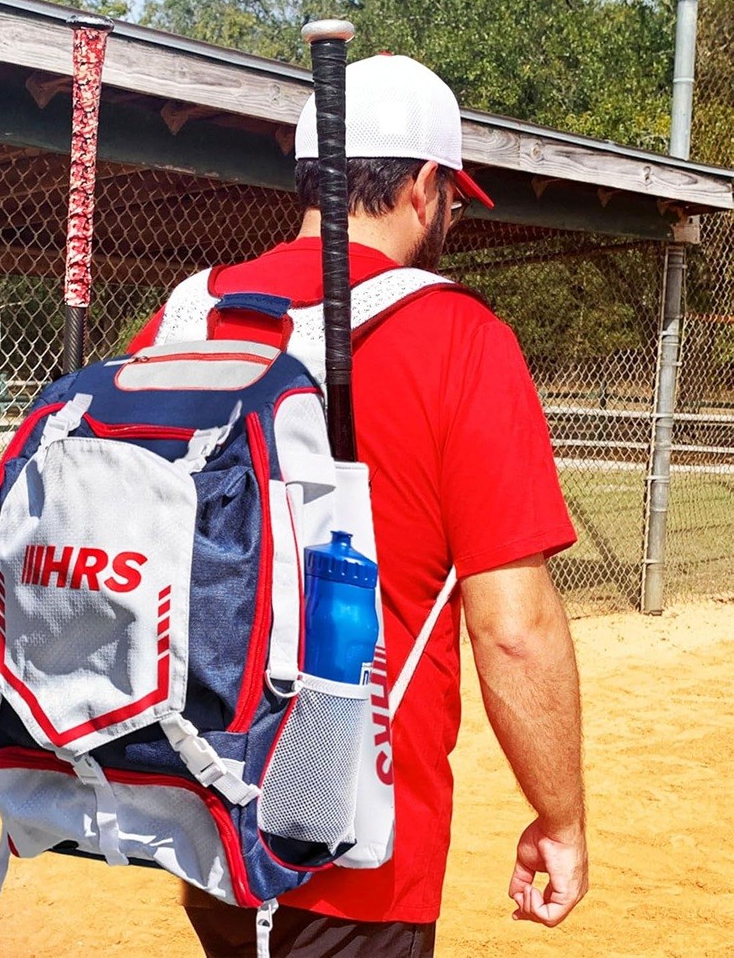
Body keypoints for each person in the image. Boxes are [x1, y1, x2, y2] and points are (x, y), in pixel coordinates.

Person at [129, 54, 588, 957]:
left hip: (202, 817)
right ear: (425, 187)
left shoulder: (184, 318)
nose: (450, 213)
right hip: (361, 853)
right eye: (452, 194)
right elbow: (512, 628)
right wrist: (559, 816)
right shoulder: (463, 341)